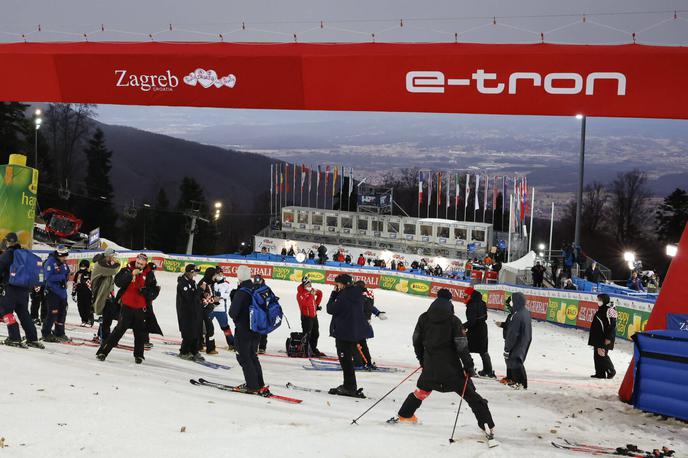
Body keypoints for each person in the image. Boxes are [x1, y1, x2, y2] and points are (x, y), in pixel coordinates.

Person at [390, 288, 495, 437]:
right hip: (451, 370)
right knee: (471, 396)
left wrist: (422, 360)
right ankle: (486, 424)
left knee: (421, 391)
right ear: (450, 303)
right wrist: (469, 366)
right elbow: (462, 346)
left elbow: (416, 341)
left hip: (431, 367)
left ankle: (405, 414)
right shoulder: (453, 321)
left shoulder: (424, 318)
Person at [96, 254, 154, 364]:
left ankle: (139, 355)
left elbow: (154, 291)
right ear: (135, 261)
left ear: (145, 264)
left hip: (140, 308)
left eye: (141, 264)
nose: (139, 265)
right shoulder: (126, 269)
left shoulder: (150, 274)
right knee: (118, 330)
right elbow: (118, 282)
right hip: (126, 306)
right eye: (137, 263)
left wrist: (145, 292)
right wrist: (130, 274)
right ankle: (103, 351)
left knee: (139, 333)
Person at [326, 274, 369, 397]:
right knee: (348, 360)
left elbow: (330, 309)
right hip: (353, 332)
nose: (336, 286)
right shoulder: (357, 294)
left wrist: (333, 295)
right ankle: (349, 385)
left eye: (337, 284)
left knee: (345, 361)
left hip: (344, 333)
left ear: (343, 284)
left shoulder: (344, 296)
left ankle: (349, 387)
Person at [229, 265, 269, 394]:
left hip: (244, 330)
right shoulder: (256, 289)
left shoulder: (242, 292)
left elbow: (232, 312)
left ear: (240, 276)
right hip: (256, 329)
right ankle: (258, 382)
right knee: (253, 356)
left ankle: (252, 385)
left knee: (244, 357)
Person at [0, 232, 43, 348]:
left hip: (10, 288)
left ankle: (14, 337)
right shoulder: (25, 253)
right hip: (24, 289)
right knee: (23, 313)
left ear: (7, 242)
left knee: (6, 312)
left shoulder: (8, 254)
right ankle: (32, 338)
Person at [354, 280, 387, 369]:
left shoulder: (361, 296)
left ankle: (360, 362)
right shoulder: (367, 295)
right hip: (364, 322)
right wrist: (378, 313)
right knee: (362, 343)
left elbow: (369, 307)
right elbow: (370, 307)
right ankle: (366, 361)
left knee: (357, 343)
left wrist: (377, 313)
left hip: (360, 323)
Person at [42, 245, 71, 343]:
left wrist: (65, 278)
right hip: (52, 292)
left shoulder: (64, 263)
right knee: (52, 314)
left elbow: (67, 272)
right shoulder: (50, 262)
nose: (65, 258)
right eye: (63, 256)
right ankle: (46, 333)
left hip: (62, 293)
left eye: (65, 256)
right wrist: (62, 277)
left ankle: (59, 332)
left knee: (62, 314)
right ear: (58, 255)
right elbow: (48, 277)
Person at [91, 248, 121, 343]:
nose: (114, 258)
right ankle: (105, 338)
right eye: (113, 256)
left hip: (106, 294)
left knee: (108, 316)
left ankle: (102, 335)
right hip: (101, 294)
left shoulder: (105, 263)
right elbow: (114, 271)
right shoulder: (100, 264)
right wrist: (118, 264)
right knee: (107, 317)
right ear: (108, 256)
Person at [464, 287, 495, 378]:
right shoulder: (482, 303)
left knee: (465, 349)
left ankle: (470, 369)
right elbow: (484, 317)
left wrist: (463, 326)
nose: (464, 296)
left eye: (465, 295)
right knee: (483, 351)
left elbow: (472, 321)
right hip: (482, 329)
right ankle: (488, 371)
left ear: (470, 295)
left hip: (475, 331)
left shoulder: (471, 304)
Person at [503, 292, 532, 389]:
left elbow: (512, 334)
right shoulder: (525, 312)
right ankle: (518, 381)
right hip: (524, 339)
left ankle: (521, 383)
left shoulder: (517, 315)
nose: (511, 303)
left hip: (518, 341)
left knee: (515, 361)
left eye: (512, 301)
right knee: (516, 360)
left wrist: (507, 348)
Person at [176, 264, 205, 361]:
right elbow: (189, 298)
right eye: (196, 271)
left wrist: (202, 294)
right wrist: (200, 290)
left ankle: (194, 351)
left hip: (194, 310)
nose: (197, 273)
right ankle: (184, 351)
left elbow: (195, 296)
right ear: (191, 272)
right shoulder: (183, 283)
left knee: (196, 331)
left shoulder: (192, 282)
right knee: (188, 332)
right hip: (185, 312)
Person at [588, 293, 617, 379]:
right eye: (598, 299)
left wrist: (608, 338)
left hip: (604, 337)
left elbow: (612, 325)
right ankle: (600, 373)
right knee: (597, 355)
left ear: (604, 300)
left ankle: (611, 370)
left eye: (599, 299)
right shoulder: (601, 309)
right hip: (597, 337)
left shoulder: (610, 310)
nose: (598, 301)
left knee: (602, 354)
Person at [297, 276, 324, 357]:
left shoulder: (311, 290)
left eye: (310, 284)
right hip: (306, 317)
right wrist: (312, 295)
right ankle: (305, 350)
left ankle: (313, 349)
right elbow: (306, 304)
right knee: (307, 335)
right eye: (307, 284)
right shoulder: (300, 294)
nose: (309, 286)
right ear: (304, 285)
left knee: (316, 334)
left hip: (314, 316)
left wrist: (316, 305)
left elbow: (320, 293)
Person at [197, 267, 220, 355]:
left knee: (203, 329)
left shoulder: (211, 283)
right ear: (211, 275)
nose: (216, 276)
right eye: (215, 274)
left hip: (207, 309)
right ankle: (210, 349)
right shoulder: (203, 283)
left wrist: (215, 301)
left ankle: (199, 346)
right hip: (203, 310)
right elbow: (199, 298)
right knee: (209, 329)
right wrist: (211, 300)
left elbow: (209, 296)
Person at [213, 268, 236, 351]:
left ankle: (231, 344)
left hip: (220, 309)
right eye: (218, 273)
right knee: (205, 325)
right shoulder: (211, 282)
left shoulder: (226, 284)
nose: (220, 275)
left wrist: (221, 296)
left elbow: (230, 295)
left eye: (221, 273)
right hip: (210, 308)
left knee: (225, 327)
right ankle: (201, 341)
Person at [494, 296, 515, 384]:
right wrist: (502, 324)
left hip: (512, 340)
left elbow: (513, 328)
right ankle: (510, 377)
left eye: (509, 305)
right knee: (507, 358)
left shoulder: (516, 315)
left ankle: (512, 378)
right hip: (507, 339)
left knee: (510, 359)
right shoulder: (512, 314)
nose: (507, 308)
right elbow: (508, 325)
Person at [72, 259, 93, 326]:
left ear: (87, 267)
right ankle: (83, 320)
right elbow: (75, 283)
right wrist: (73, 293)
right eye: (81, 266)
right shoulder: (78, 273)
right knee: (80, 307)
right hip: (80, 293)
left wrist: (93, 293)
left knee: (88, 307)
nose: (82, 268)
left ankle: (89, 320)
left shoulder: (90, 273)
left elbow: (93, 284)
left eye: (84, 266)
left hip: (88, 294)